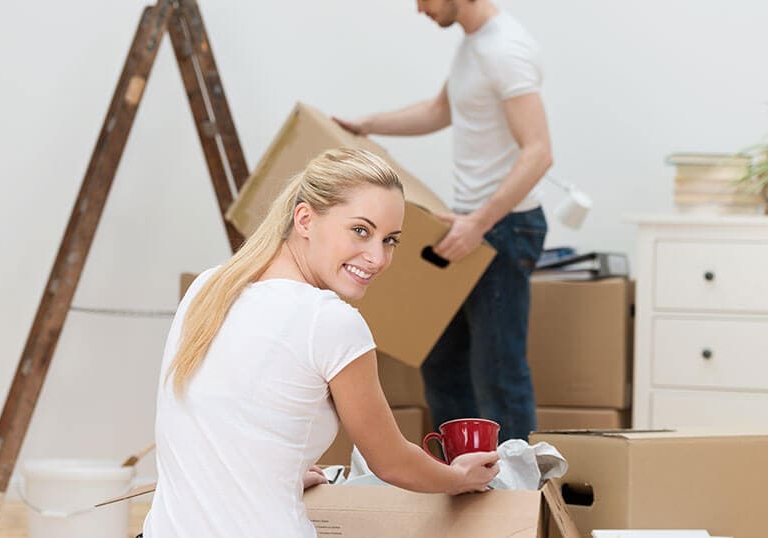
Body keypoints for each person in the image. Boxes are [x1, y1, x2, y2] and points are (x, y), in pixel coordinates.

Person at [140, 148, 499, 538]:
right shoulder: (329, 321)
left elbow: (216, 430)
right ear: (305, 219)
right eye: (360, 231)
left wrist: (279, 476)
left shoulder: (209, 287)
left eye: (390, 240)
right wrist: (458, 477)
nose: (377, 257)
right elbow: (392, 462)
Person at [334, 0, 553, 442]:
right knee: (441, 363)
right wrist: (367, 125)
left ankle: (515, 484)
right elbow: (440, 110)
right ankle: (458, 473)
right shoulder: (475, 44)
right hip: (471, 225)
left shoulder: (506, 48)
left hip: (504, 228)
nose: (420, 9)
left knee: (497, 373)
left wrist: (479, 224)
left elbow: (539, 152)